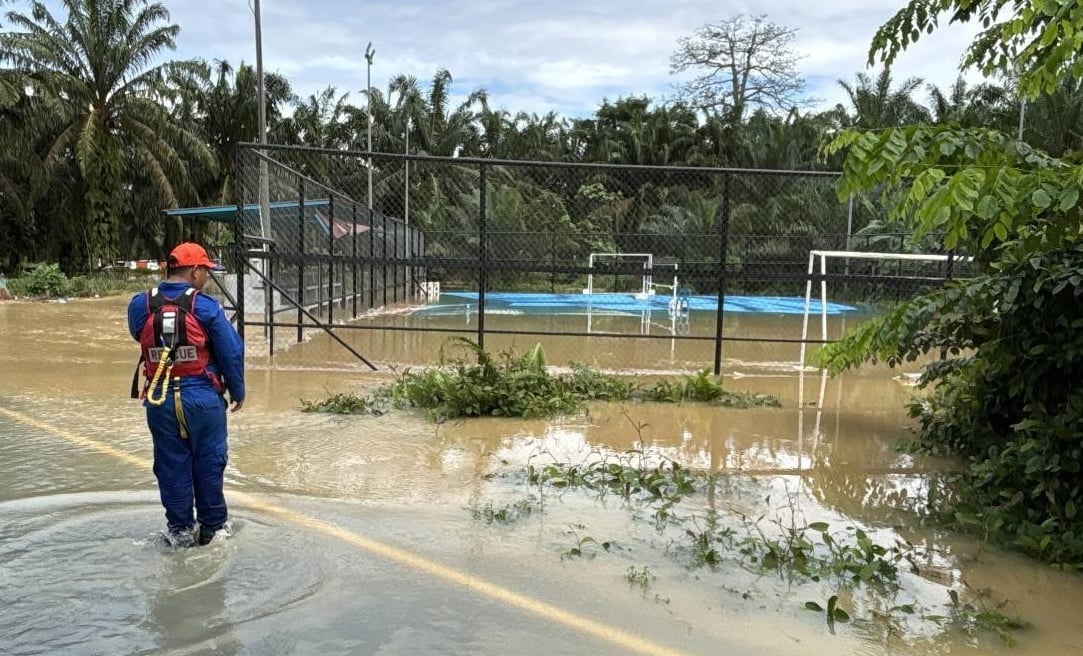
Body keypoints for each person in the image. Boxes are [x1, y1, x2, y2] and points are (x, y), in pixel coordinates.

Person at [127, 242, 245, 547]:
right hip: (202, 398)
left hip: (160, 398)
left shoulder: (140, 304)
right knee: (209, 461)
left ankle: (179, 531)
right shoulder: (207, 307)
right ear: (194, 271)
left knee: (171, 465)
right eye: (205, 271)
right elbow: (232, 352)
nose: (207, 276)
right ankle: (213, 530)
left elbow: (138, 334)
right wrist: (238, 390)